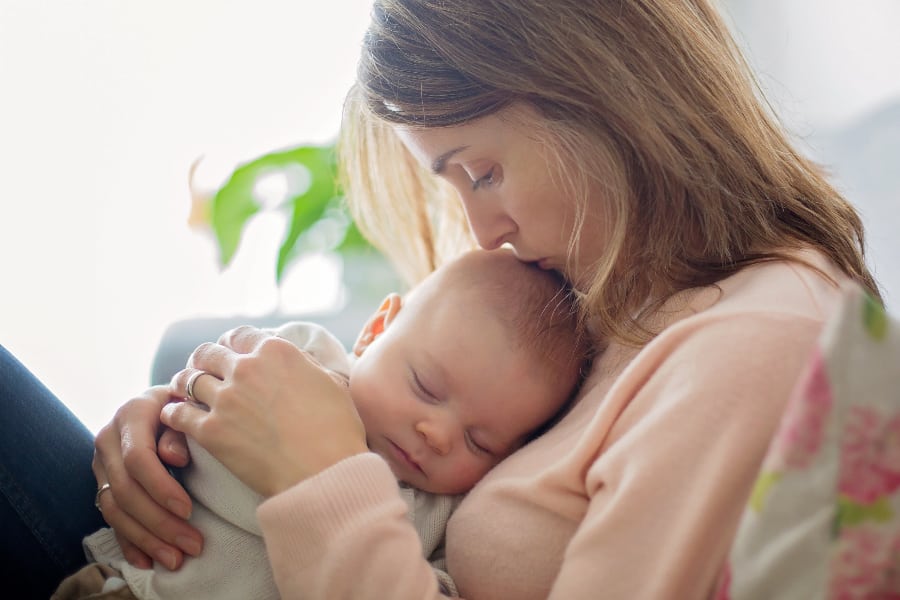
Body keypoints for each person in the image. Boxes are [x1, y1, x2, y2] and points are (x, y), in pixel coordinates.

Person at [0, 0, 886, 599]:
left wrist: (319, 482)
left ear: (606, 95)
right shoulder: (620, 301)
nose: (484, 230)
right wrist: (187, 430)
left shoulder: (764, 346)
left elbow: (352, 482)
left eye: (482, 172)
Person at [52, 248, 589, 599]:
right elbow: (197, 384)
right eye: (425, 387)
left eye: (480, 441)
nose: (438, 434)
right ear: (376, 330)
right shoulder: (301, 358)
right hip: (126, 584)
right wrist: (156, 407)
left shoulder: (443, 519)